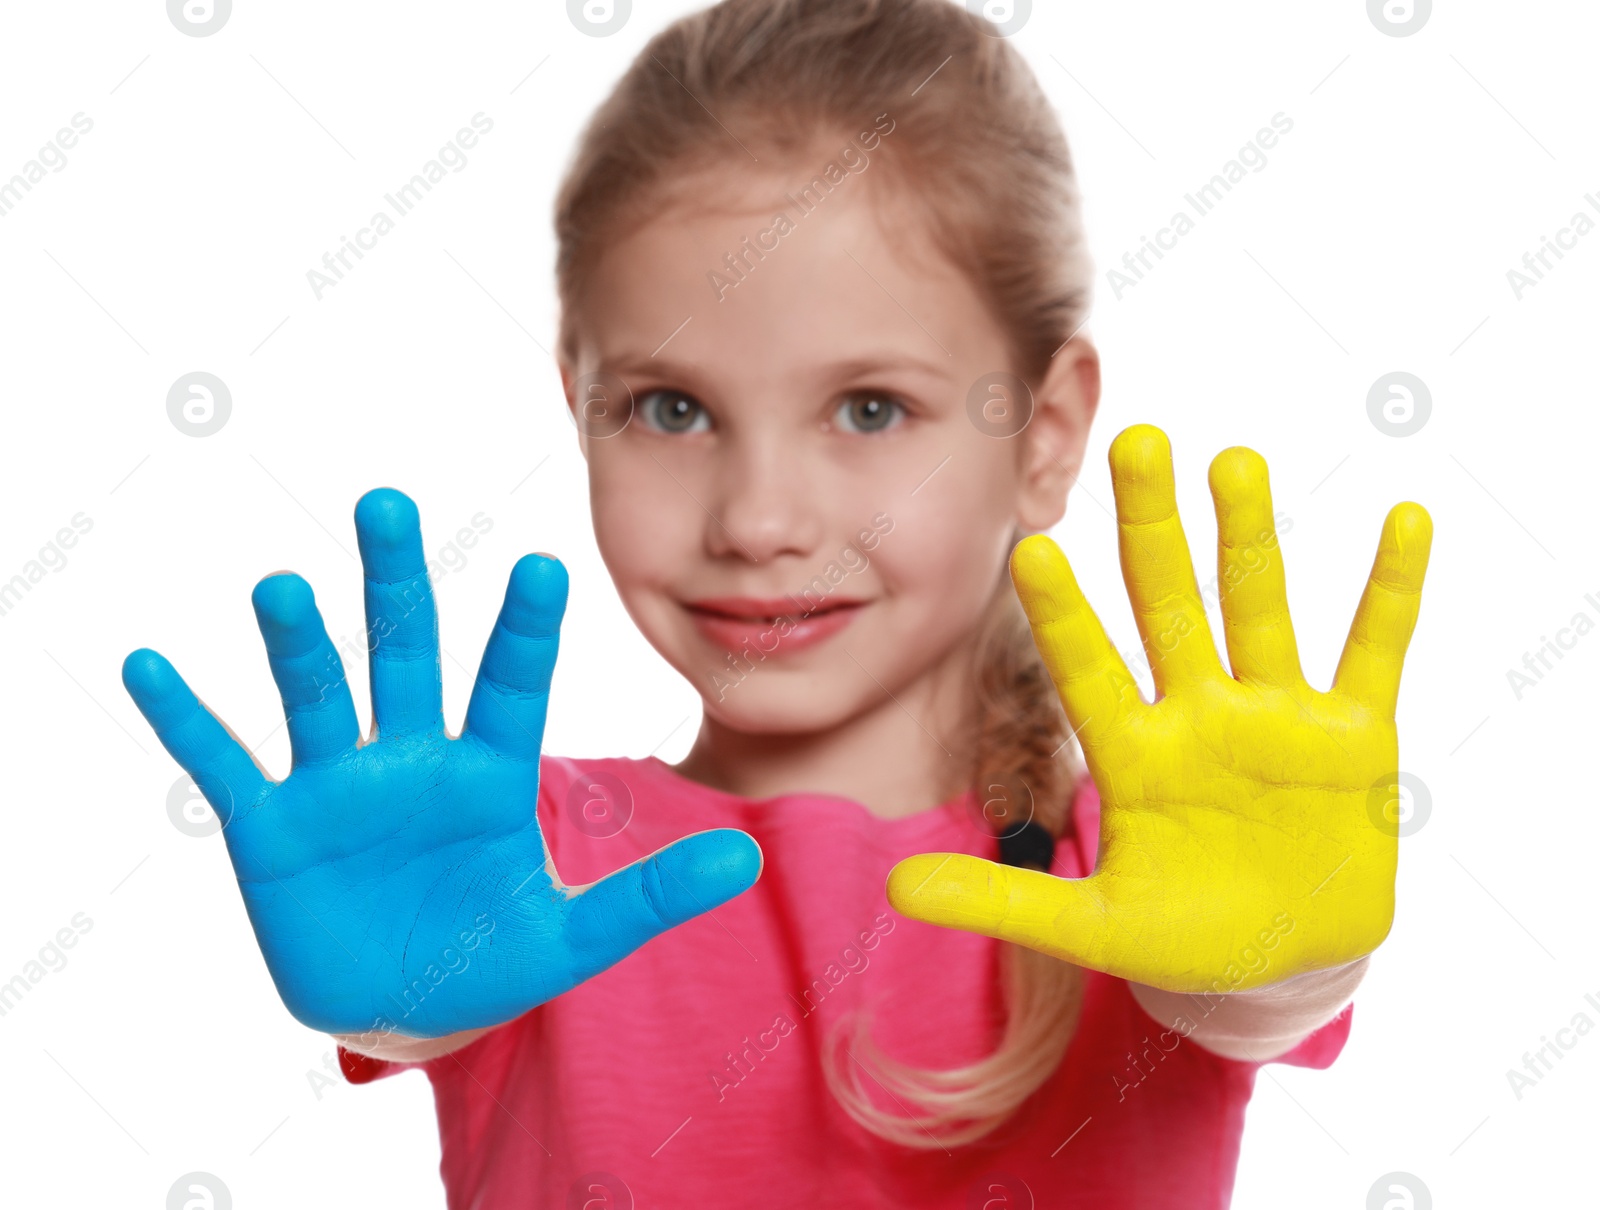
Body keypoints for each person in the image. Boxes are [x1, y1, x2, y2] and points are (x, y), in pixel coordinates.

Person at [121, 1, 1432, 1205]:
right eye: (672, 408)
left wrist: (1279, 946)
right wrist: (402, 1001)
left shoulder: (1137, 860)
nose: (757, 520)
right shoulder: (517, 848)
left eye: (871, 409)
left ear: (1044, 432)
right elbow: (431, 1002)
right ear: (575, 400)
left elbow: (1253, 999)